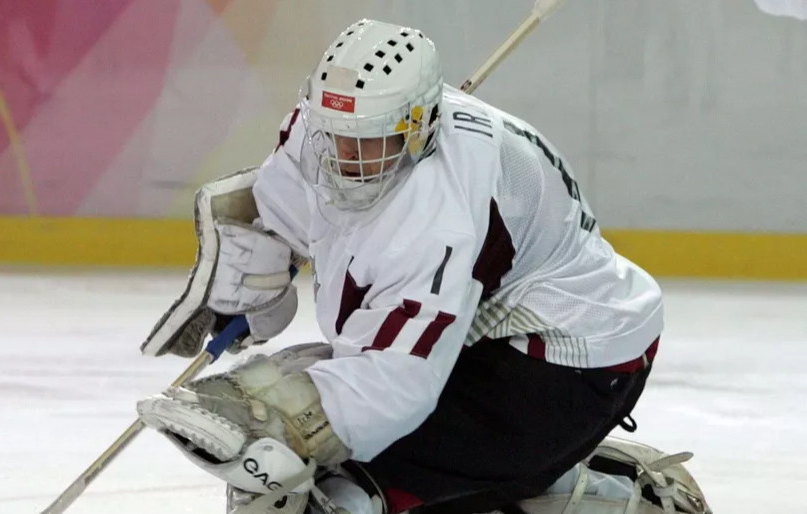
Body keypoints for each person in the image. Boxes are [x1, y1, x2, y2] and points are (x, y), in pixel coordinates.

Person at [135, 19, 710, 514]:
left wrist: (291, 421)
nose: (345, 161)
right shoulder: (329, 127)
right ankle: (541, 481)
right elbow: (287, 201)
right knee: (313, 466)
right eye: (335, 138)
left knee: (335, 489)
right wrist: (258, 254)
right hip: (483, 331)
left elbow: (397, 382)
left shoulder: (440, 213)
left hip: (567, 363)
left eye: (369, 143)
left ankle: (611, 496)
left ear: (418, 127)